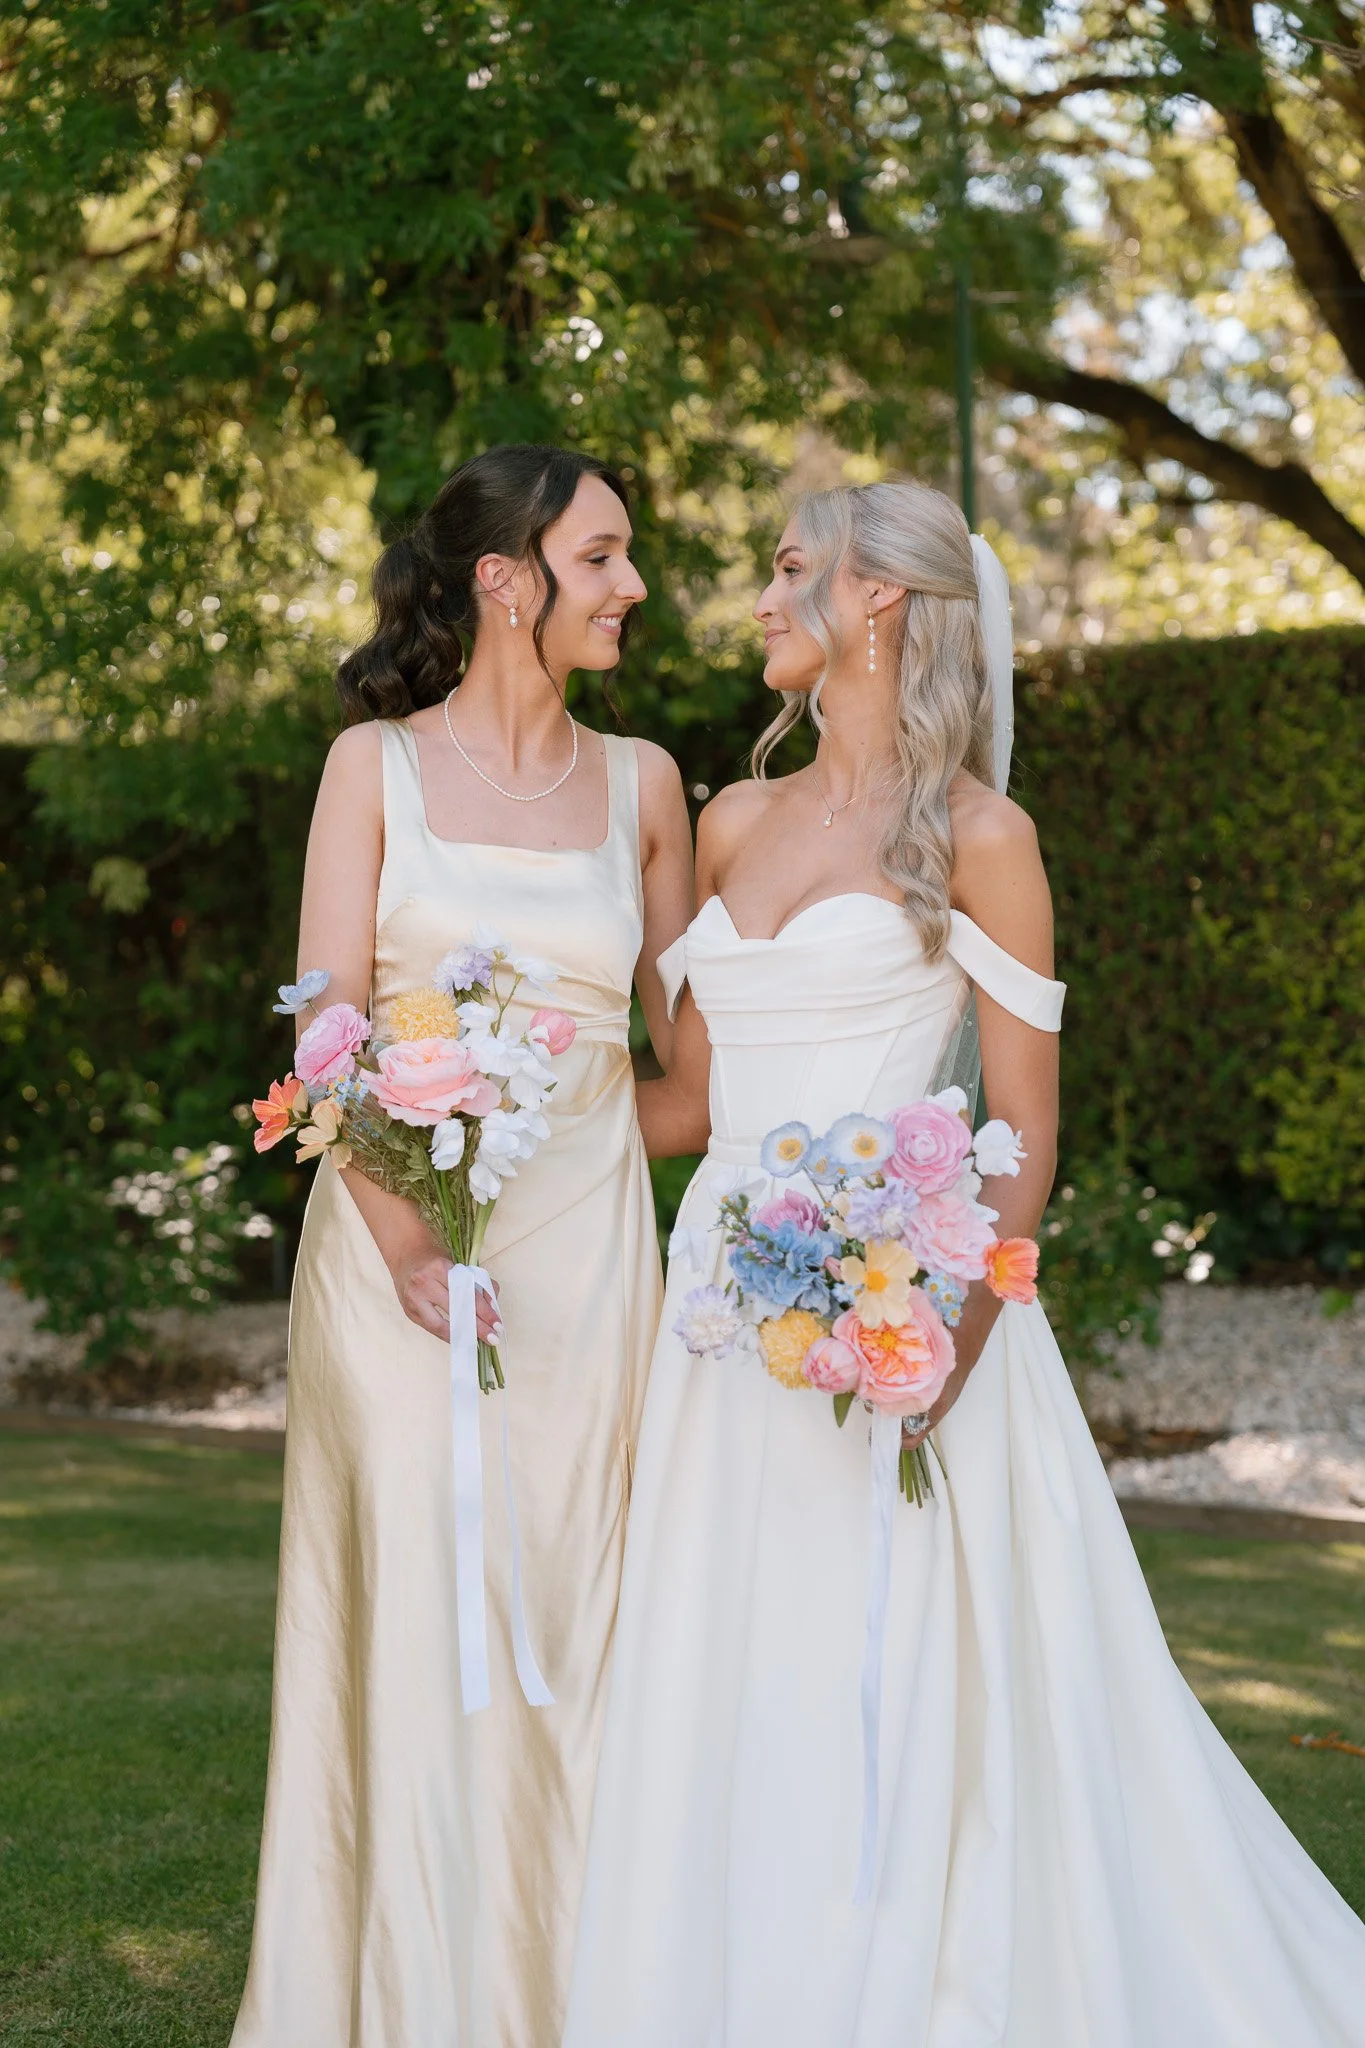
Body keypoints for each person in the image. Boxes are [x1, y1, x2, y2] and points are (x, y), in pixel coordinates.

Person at [563, 480, 1365, 2046]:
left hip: (908, 1337)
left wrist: (939, 1347)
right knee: (732, 1682)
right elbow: (686, 1108)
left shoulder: (986, 839)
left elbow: (1022, 1138)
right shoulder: (729, 822)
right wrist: (500, 1108)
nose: (761, 598)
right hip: (723, 1339)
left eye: (791, 569)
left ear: (880, 603)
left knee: (912, 1694)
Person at [232, 444, 693, 2048]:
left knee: (582, 1617)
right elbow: (330, 1034)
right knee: (428, 1624)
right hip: (391, 1255)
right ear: (508, 582)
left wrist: (558, 1148)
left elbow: (689, 1072)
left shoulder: (648, 785)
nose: (633, 584)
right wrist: (416, 1235)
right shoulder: (373, 770)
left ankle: (579, 2001)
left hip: (586, 1264)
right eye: (604, 556)